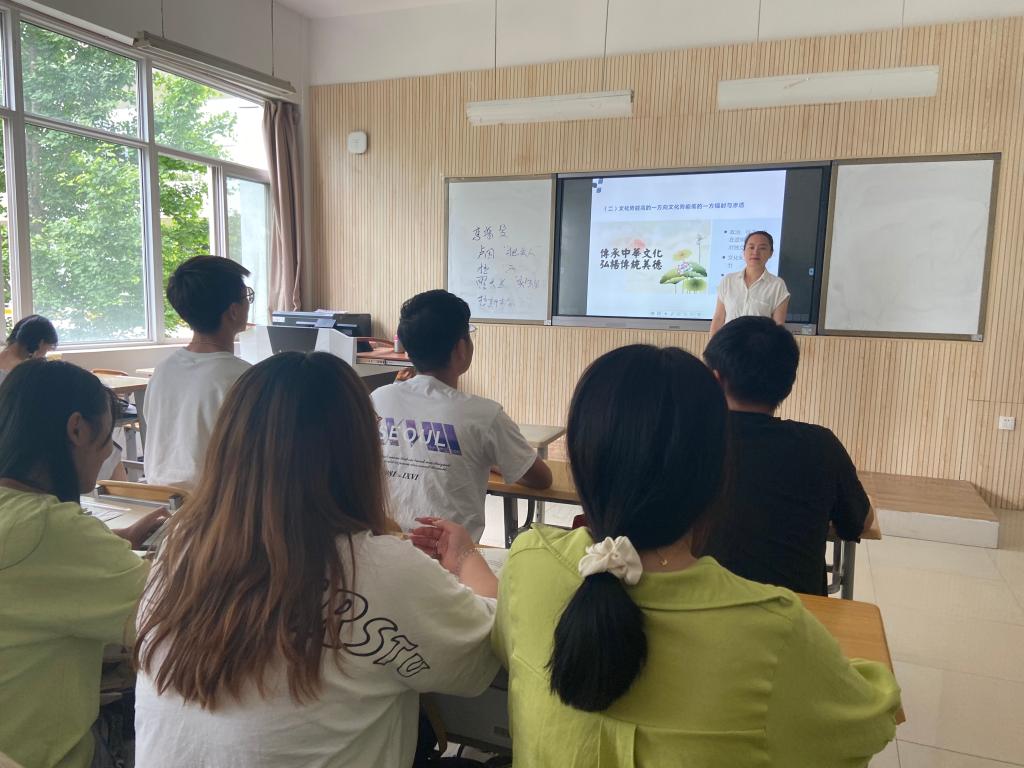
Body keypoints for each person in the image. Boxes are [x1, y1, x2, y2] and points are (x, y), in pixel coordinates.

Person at [480, 344, 898, 767]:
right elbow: (871, 723)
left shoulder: (529, 560)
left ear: (580, 461)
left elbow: (503, 644)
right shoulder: (774, 631)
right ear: (719, 475)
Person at [134, 352, 500, 768]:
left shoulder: (181, 548)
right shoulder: (376, 568)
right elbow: (488, 647)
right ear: (358, 453)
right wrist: (466, 558)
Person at [0, 361, 167, 768]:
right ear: (77, 429)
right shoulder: (51, 530)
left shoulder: (27, 524)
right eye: (108, 436)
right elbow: (169, 613)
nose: (109, 452)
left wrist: (107, 546)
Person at [702, 316, 871, 595]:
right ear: (789, 385)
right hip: (796, 613)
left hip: (702, 608)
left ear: (715, 379)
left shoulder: (688, 439)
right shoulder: (821, 446)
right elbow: (860, 523)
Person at [370, 290, 551, 542]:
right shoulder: (485, 415)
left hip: (382, 546)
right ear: (461, 348)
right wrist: (493, 462)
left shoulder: (377, 399)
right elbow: (541, 478)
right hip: (449, 558)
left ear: (408, 350)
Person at [143, 256, 252, 488]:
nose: (248, 304)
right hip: (213, 505)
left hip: (158, 501)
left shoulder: (163, 370)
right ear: (233, 311)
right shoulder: (243, 378)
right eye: (246, 297)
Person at [709, 230, 789, 335]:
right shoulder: (728, 280)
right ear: (744, 252)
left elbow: (778, 327)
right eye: (751, 247)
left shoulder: (777, 285)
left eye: (762, 248)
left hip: (760, 344)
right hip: (728, 343)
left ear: (771, 253)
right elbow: (719, 318)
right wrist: (712, 344)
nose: (755, 252)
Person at [0, 314, 58, 382]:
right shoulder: (26, 371)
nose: (44, 355)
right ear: (40, 343)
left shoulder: (4, 355)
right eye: (47, 349)